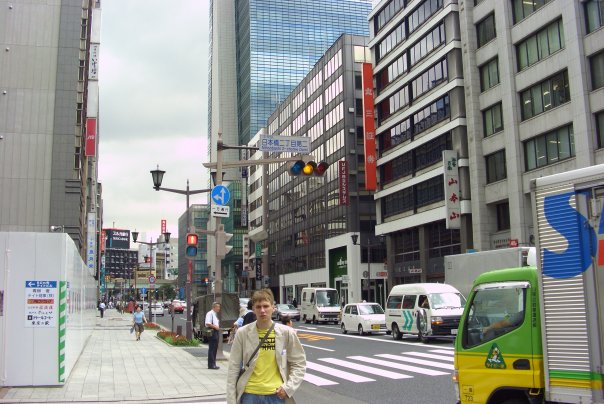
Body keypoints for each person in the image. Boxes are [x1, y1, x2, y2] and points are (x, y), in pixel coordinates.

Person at [227, 289, 306, 404]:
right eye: (258, 307)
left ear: (273, 307)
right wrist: (231, 400)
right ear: (253, 309)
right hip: (249, 395)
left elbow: (299, 363)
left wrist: (288, 388)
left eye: (266, 306)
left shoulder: (286, 333)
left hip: (276, 395)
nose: (262, 310)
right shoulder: (243, 333)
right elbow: (233, 367)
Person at [205, 302, 221, 370]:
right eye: (217, 307)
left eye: (219, 307)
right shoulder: (210, 313)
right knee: (212, 348)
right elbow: (207, 323)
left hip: (215, 331)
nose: (219, 308)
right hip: (212, 331)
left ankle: (213, 363)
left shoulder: (214, 314)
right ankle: (211, 365)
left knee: (215, 348)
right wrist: (215, 327)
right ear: (214, 307)